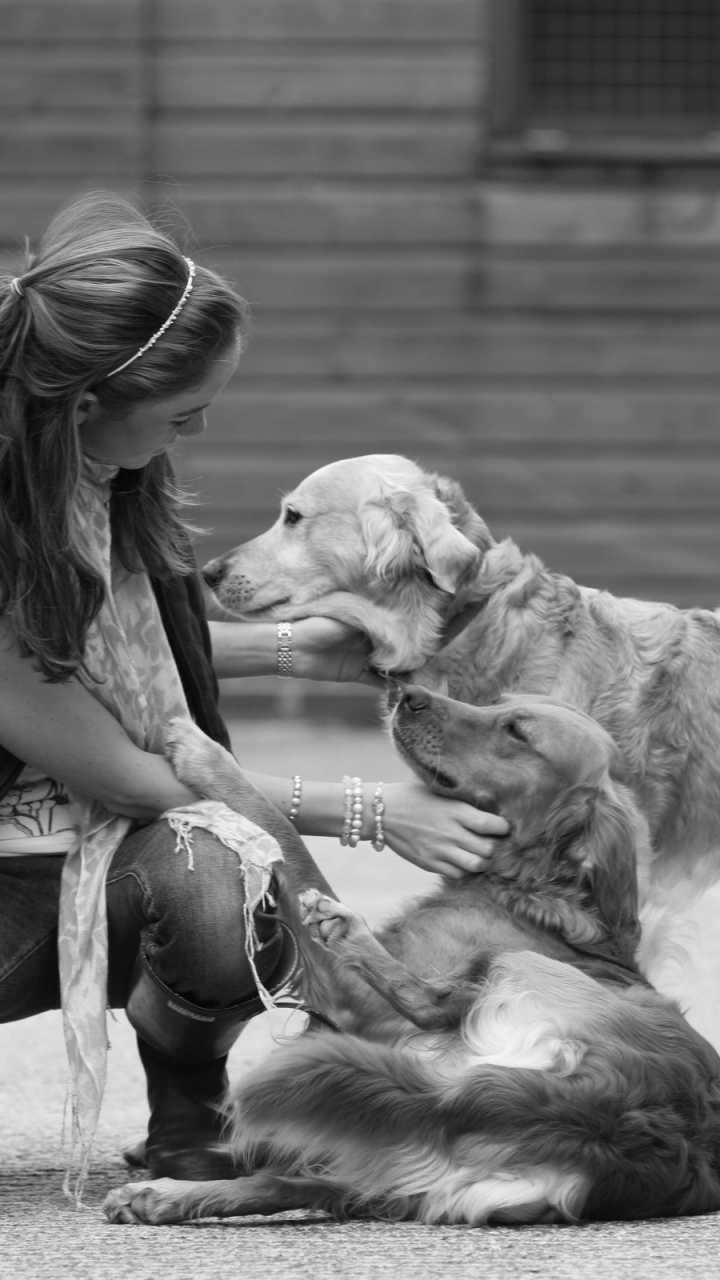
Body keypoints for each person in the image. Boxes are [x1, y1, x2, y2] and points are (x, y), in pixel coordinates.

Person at [0, 191, 508, 1194]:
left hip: (65, 857)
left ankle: (193, 1111)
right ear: (91, 401)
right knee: (213, 868)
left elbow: (128, 668)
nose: (203, 423)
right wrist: (366, 808)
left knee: (210, 869)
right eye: (186, 409)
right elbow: (140, 772)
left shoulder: (97, 478)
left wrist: (297, 646)